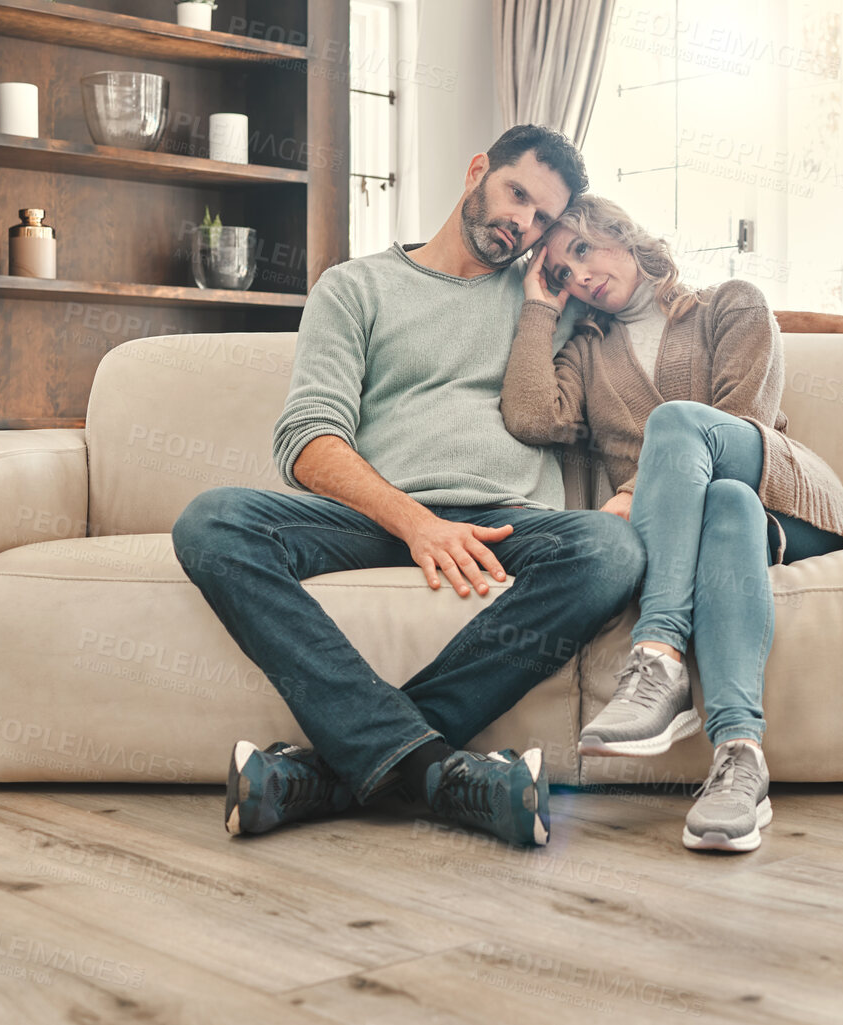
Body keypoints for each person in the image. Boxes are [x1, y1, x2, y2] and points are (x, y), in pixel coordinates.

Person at [171, 125, 647, 849]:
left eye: (543, 217)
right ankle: (435, 771)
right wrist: (415, 521)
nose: (523, 222)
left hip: (508, 524)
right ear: (477, 170)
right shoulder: (356, 286)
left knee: (610, 547)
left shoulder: (549, 301)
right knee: (213, 521)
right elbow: (305, 439)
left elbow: (670, 318)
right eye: (517, 193)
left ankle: (336, 772)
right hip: (372, 520)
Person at [501, 195, 843, 852]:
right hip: (725, 524)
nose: (579, 276)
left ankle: (656, 656)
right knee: (724, 507)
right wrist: (539, 306)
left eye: (582, 250)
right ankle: (739, 761)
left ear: (618, 232)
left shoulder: (729, 303)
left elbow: (741, 418)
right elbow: (532, 416)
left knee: (690, 437)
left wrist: (632, 489)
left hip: (783, 497)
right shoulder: (588, 351)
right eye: (562, 272)